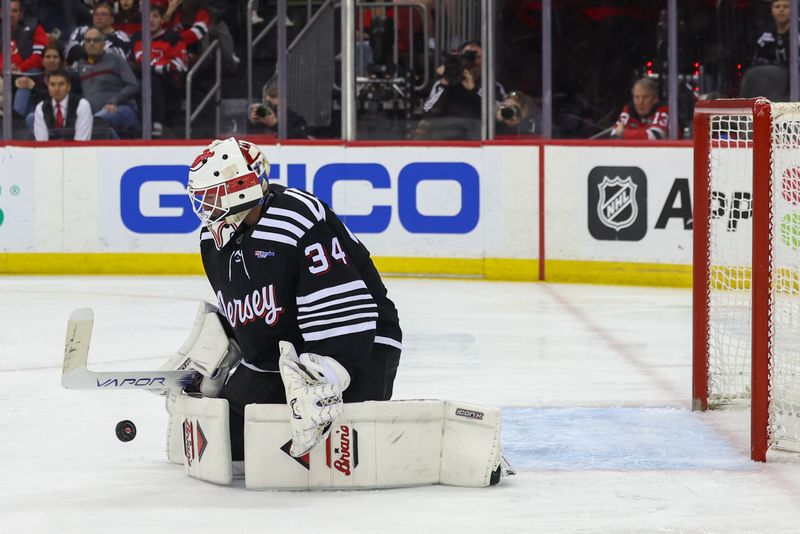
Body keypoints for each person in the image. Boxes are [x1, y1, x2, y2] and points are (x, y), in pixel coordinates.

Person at [182, 137, 402, 461]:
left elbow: (346, 305)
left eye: (212, 197)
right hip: (278, 361)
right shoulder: (211, 239)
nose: (205, 208)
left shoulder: (296, 217)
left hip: (361, 346)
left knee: (341, 457)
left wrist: (325, 375)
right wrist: (214, 357)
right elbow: (246, 310)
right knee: (225, 447)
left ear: (243, 188)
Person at [420, 40, 507, 140]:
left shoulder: (492, 86)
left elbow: (499, 114)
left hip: (481, 142)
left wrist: (473, 90)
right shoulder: (444, 83)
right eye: (468, 57)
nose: (472, 62)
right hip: (446, 142)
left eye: (477, 57)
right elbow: (427, 111)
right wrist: (445, 83)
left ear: (485, 61)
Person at [131, 4, 188, 137]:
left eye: (155, 16)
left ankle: (157, 122)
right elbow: (131, 63)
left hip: (168, 82)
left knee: (152, 78)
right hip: (142, 78)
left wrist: (155, 68)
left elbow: (181, 65)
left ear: (163, 19)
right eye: (147, 16)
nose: (151, 20)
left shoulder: (173, 37)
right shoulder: (137, 37)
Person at [73, 27, 141, 138]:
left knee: (97, 121)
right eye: (88, 40)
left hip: (121, 109)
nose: (91, 43)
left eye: (96, 40)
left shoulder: (115, 59)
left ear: (103, 44)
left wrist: (114, 101)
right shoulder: (80, 65)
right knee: (87, 123)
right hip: (95, 116)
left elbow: (133, 85)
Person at [32, 69, 93, 141]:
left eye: (61, 84)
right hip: (49, 151)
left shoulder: (82, 105)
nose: (56, 89)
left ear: (69, 86)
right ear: (48, 87)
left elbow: (81, 141)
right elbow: (42, 142)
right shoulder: (41, 107)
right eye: (52, 84)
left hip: (76, 151)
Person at [65, 2, 132, 65]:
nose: (99, 17)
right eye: (96, 14)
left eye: (103, 14)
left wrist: (85, 53)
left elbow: (116, 58)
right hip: (78, 71)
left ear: (112, 19)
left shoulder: (120, 36)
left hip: (106, 74)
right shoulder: (81, 30)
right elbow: (69, 48)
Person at [0, 0, 49, 73]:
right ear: (1, 13)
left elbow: (40, 55)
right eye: (7, 10)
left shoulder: (35, 27)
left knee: (34, 71)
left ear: (21, 14)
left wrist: (21, 68)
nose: (11, 14)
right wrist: (4, 67)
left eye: (15, 11)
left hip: (27, 72)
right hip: (2, 73)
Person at [754, 0, 797, 67]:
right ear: (772, 10)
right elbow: (758, 65)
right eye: (777, 7)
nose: (781, 10)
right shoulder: (765, 38)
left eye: (786, 7)